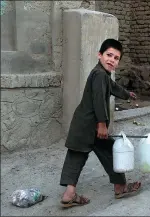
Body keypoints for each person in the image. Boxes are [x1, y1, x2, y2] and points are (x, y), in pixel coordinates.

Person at [60, 39, 141, 208]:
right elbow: (98, 101)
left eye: (116, 58)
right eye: (109, 55)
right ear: (100, 55)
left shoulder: (103, 74)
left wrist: (127, 94)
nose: (112, 60)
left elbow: (113, 87)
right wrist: (102, 124)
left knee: (76, 156)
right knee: (110, 151)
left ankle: (69, 194)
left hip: (82, 125)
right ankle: (120, 187)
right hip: (92, 125)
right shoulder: (99, 75)